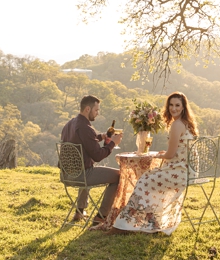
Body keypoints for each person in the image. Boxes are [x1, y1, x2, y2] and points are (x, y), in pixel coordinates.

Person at [111, 92, 199, 235]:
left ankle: (125, 226)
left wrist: (162, 155)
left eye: (177, 105)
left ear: (183, 107)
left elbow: (170, 155)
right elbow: (178, 150)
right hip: (187, 171)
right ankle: (151, 221)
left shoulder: (177, 125)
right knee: (148, 178)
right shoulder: (185, 123)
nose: (173, 108)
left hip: (180, 173)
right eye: (171, 105)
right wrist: (165, 153)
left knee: (143, 181)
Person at [60, 95, 123, 225]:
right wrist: (112, 144)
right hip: (81, 176)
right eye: (96, 110)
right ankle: (102, 216)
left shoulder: (70, 123)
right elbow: (98, 156)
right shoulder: (86, 128)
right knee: (118, 176)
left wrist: (101, 137)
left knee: (86, 165)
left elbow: (83, 140)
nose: (97, 113)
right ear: (88, 109)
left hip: (66, 174)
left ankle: (79, 211)